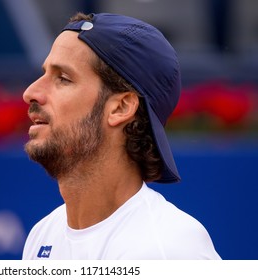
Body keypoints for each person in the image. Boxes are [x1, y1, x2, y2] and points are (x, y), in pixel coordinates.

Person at [22, 12, 221, 260]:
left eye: (63, 78)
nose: (30, 93)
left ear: (121, 108)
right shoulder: (43, 235)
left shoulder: (168, 249)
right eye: (44, 74)